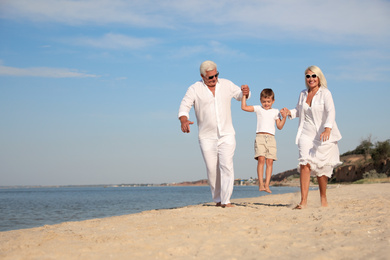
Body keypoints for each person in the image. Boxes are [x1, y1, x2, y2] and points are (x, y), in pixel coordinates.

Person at [178, 60, 250, 208]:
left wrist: (245, 92)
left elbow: (239, 95)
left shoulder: (226, 84)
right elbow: (184, 106)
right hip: (206, 136)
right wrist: (184, 120)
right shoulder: (194, 88)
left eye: (216, 75)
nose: (214, 79)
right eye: (210, 77)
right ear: (202, 76)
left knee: (227, 166)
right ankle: (217, 199)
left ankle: (226, 200)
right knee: (212, 169)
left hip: (227, 134)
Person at [284, 65, 342, 209]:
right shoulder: (303, 93)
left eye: (313, 76)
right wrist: (288, 112)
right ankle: (303, 201)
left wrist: (327, 129)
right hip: (306, 133)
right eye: (308, 76)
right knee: (305, 163)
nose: (311, 79)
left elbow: (331, 111)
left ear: (319, 77)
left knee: (322, 168)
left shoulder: (325, 93)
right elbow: (299, 110)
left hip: (323, 134)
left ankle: (323, 197)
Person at [241, 88, 287, 193]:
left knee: (270, 162)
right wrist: (244, 95)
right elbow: (244, 107)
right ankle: (261, 183)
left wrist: (284, 117)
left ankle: (267, 185)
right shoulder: (258, 109)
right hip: (260, 137)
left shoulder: (275, 111)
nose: (266, 104)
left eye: (268, 101)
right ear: (261, 100)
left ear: (273, 101)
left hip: (271, 138)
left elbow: (279, 126)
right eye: (264, 101)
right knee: (261, 159)